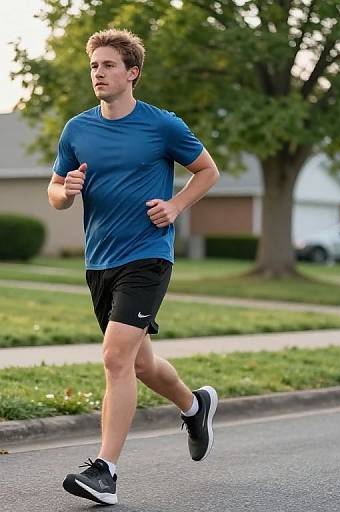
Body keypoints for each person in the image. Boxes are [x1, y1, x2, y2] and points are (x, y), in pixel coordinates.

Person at [47, 28, 220, 506]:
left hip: (147, 255)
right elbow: (55, 192)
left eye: (107, 66)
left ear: (132, 73)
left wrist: (177, 205)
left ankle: (105, 471)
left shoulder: (161, 125)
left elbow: (208, 171)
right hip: (98, 260)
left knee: (114, 357)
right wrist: (68, 191)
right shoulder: (77, 129)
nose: (98, 74)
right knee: (139, 364)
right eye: (94, 67)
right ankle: (194, 405)